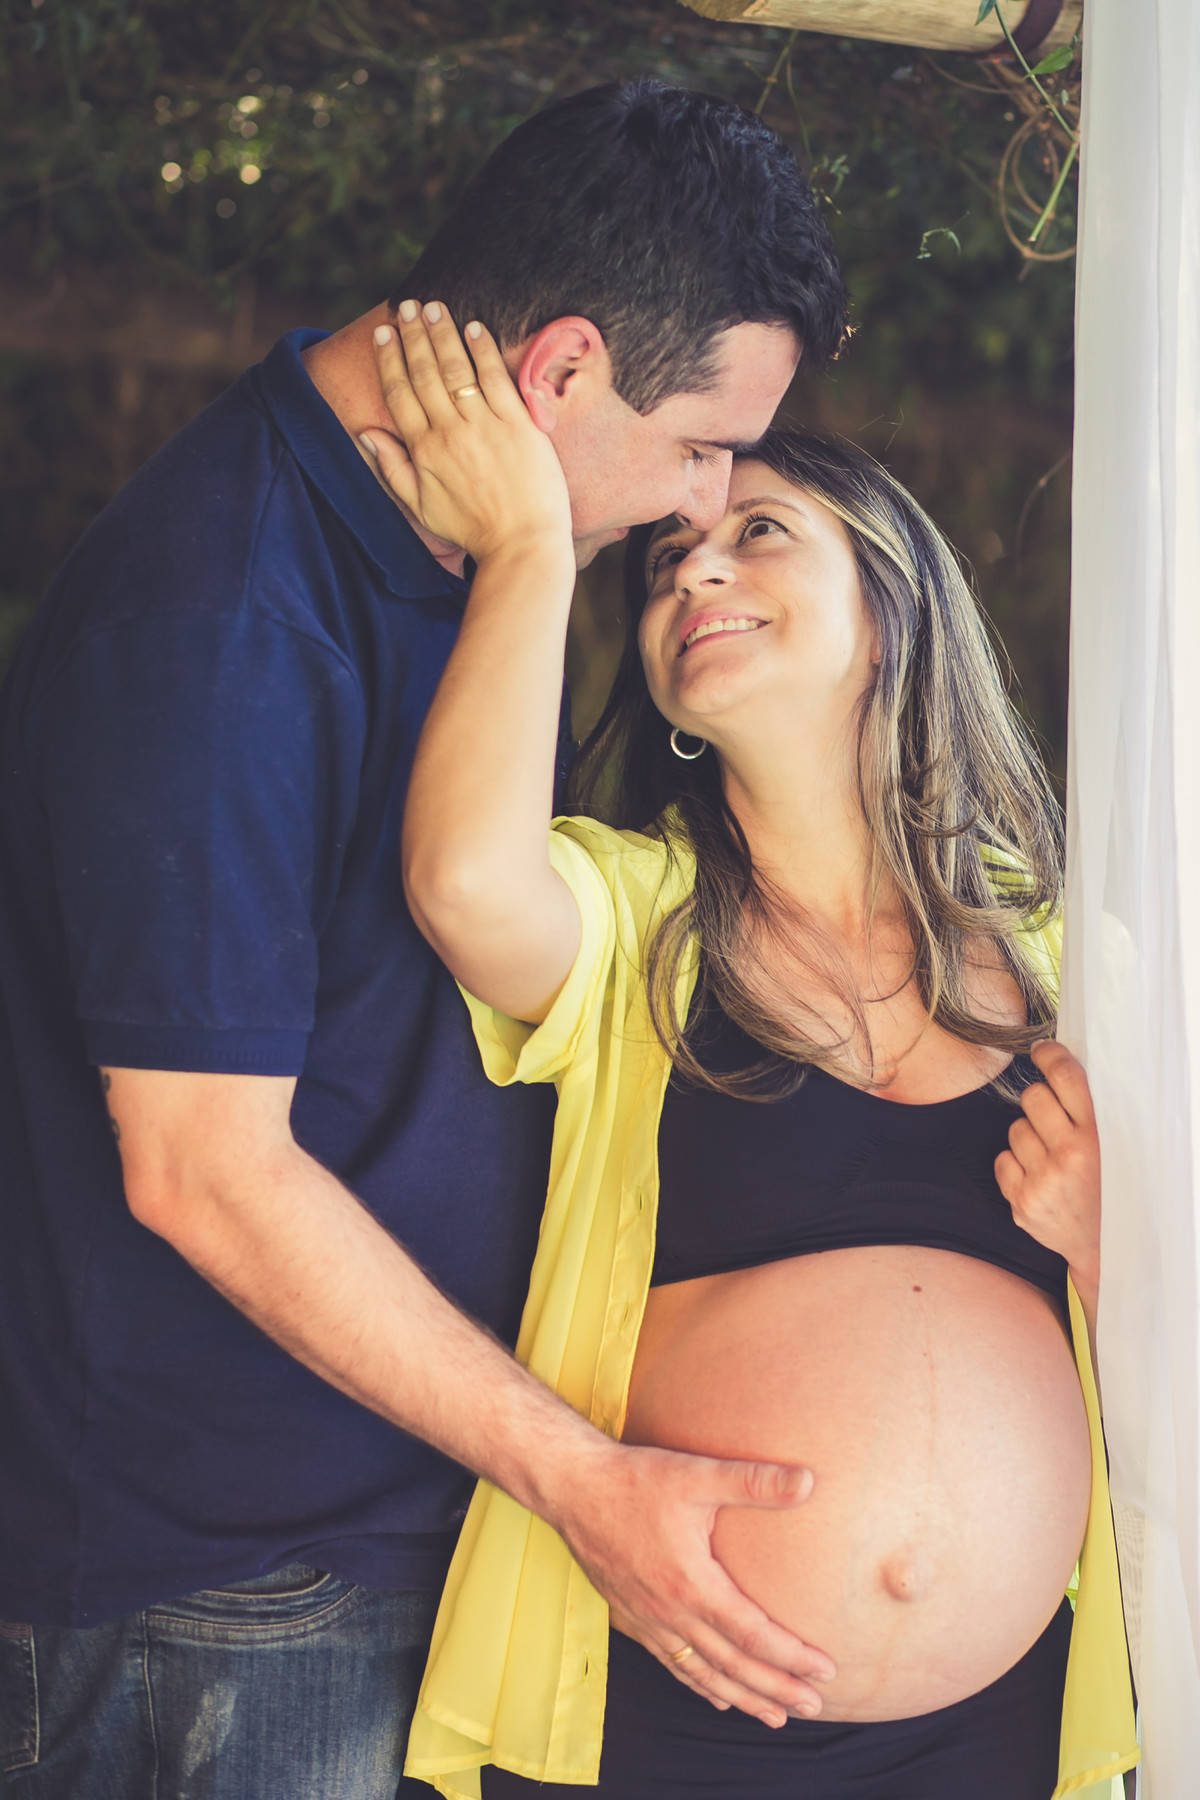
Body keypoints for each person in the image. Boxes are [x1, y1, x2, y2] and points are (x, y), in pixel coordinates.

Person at [0, 82, 849, 1800]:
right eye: (699, 446)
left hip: (358, 1537)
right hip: (227, 1589)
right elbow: (200, 1170)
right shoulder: (227, 622)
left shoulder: (458, 550)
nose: (697, 504)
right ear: (561, 372)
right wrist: (579, 1478)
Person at [368, 308, 1140, 1799]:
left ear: (892, 606)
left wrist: (1121, 1255)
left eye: (758, 532)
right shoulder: (631, 912)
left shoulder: (1072, 965)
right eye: (665, 562)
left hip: (999, 1740)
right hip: (669, 1718)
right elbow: (462, 885)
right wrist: (534, 549)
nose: (694, 571)